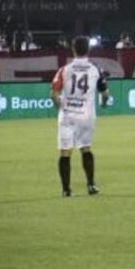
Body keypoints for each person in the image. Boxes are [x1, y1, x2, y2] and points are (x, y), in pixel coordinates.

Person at [50, 36, 109, 197]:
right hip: (86, 116)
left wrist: (60, 106)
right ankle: (91, 185)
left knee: (65, 152)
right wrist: (103, 103)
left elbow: (54, 94)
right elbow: (105, 93)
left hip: (67, 116)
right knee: (86, 148)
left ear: (73, 49)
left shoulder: (65, 69)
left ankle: (66, 190)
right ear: (88, 50)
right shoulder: (95, 69)